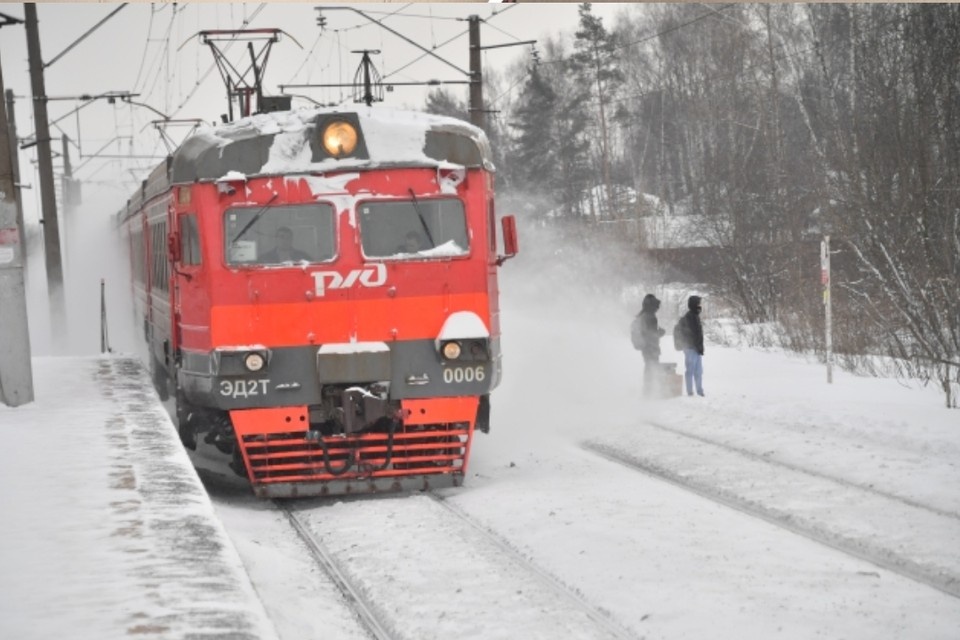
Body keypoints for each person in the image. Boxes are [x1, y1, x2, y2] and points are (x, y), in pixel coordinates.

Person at [635, 293, 667, 398]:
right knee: (651, 369)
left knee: (650, 369)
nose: (657, 308)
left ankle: (649, 392)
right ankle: (648, 393)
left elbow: (648, 333)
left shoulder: (644, 315)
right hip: (650, 347)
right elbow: (650, 334)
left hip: (648, 347)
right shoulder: (649, 316)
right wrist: (660, 333)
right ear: (651, 306)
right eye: (656, 306)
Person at [679, 295, 705, 397]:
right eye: (698, 303)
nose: (700, 306)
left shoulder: (695, 316)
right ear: (694, 304)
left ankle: (700, 391)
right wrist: (694, 345)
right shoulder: (689, 317)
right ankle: (690, 392)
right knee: (690, 370)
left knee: (699, 371)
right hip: (690, 348)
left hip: (696, 348)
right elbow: (690, 334)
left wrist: (699, 347)